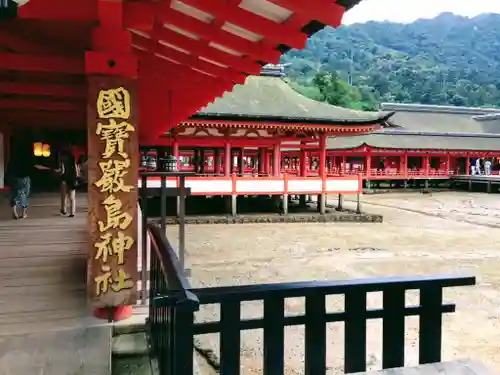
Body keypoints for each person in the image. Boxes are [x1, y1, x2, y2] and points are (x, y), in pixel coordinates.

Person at [58, 147, 80, 217]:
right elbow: (77, 172)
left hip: (64, 179)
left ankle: (63, 210)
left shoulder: (62, 160)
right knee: (72, 197)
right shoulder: (73, 160)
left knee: (64, 196)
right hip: (72, 179)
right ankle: (72, 212)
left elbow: (62, 171)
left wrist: (57, 172)